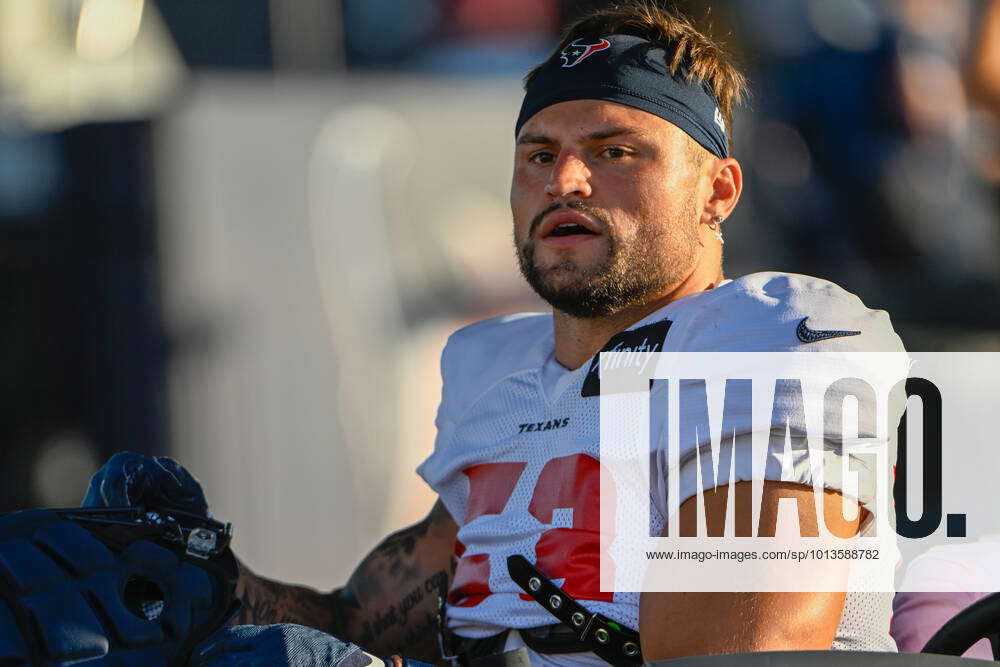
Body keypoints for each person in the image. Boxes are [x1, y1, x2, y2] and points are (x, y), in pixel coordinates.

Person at [93, 4, 908, 665]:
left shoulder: (769, 334)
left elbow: (732, 659)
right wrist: (190, 574)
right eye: (538, 154)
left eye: (615, 150)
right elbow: (364, 618)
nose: (565, 179)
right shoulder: (498, 369)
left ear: (718, 191)